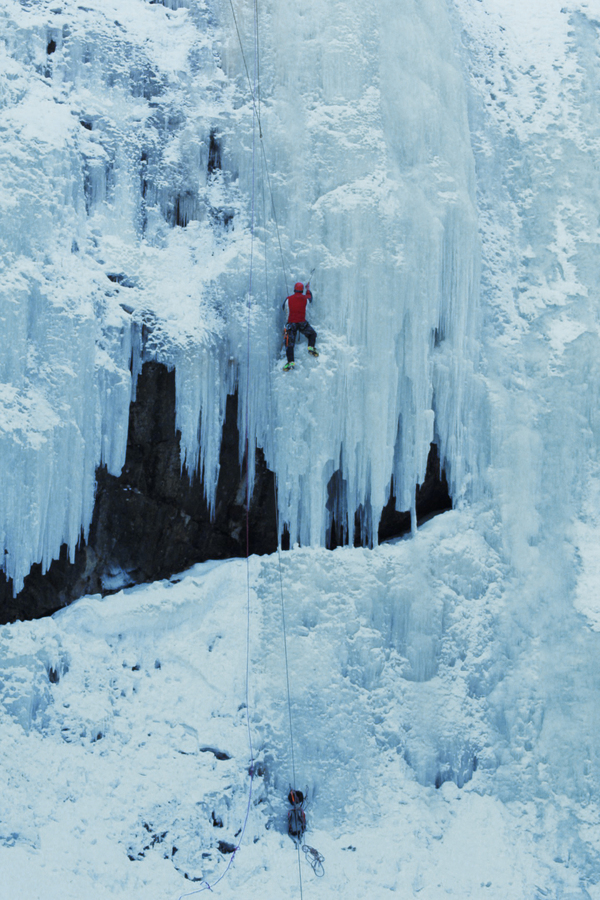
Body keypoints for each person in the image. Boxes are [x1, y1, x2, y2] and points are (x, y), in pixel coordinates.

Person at [282, 282, 319, 371]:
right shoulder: (305, 298)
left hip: (291, 324)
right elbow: (310, 299)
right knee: (312, 334)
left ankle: (290, 362)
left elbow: (283, 307)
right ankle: (311, 347)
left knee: (289, 344)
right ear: (302, 290)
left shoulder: (288, 299)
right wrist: (308, 290)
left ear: (294, 289)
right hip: (302, 323)